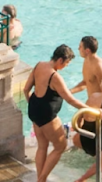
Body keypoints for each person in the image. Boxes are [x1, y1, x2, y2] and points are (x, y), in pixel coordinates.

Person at [27, 45, 80, 182]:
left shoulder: (39, 65)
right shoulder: (55, 77)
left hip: (34, 110)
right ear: (60, 60)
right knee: (60, 147)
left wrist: (33, 106)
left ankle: (40, 179)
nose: (66, 66)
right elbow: (70, 100)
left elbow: (26, 89)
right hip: (47, 115)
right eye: (67, 63)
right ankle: (42, 179)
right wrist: (90, 108)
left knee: (42, 146)